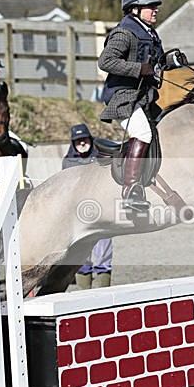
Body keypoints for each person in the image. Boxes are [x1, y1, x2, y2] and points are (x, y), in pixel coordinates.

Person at [98, 0, 187, 211]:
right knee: (142, 133)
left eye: (156, 5)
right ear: (134, 9)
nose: (155, 9)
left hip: (144, 98)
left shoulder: (150, 34)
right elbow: (106, 61)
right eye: (150, 5)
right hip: (123, 98)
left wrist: (170, 61)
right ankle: (130, 190)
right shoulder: (124, 32)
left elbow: (154, 65)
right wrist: (139, 69)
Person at [62, 123, 113, 288]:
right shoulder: (68, 162)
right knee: (81, 258)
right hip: (79, 216)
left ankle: (104, 291)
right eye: (78, 140)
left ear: (90, 139)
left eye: (84, 139)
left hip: (103, 212)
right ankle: (84, 293)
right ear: (73, 143)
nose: (82, 143)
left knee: (104, 255)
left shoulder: (102, 157)